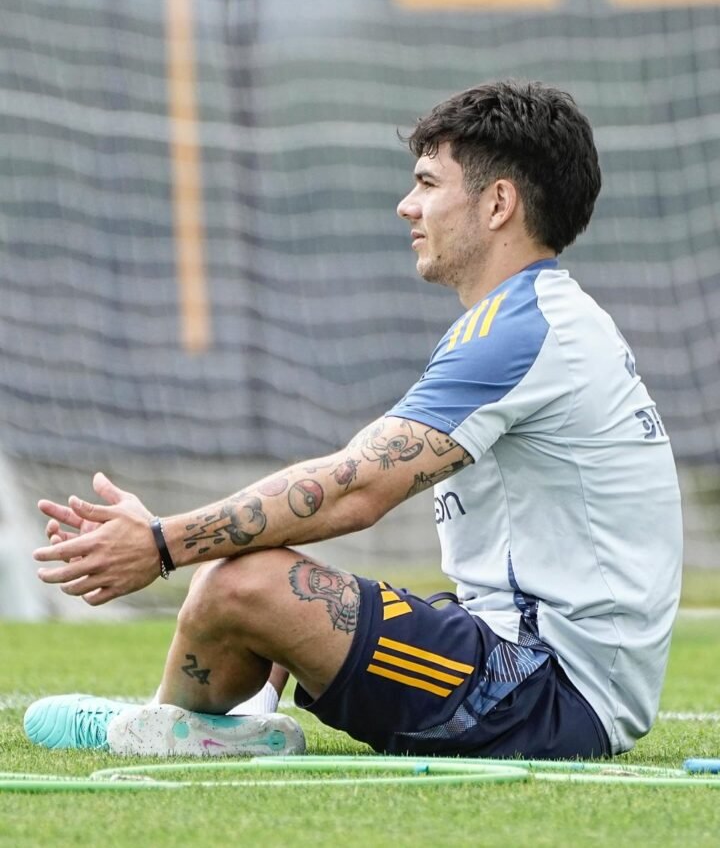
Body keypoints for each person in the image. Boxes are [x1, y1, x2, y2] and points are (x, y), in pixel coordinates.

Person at [25, 81, 682, 760]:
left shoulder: (521, 330)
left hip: (549, 695)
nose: (407, 206)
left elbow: (354, 488)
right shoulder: (540, 317)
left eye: (428, 183)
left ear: (498, 204)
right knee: (276, 567)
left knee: (239, 583)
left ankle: (165, 729)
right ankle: (228, 720)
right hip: (539, 669)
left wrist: (160, 542)